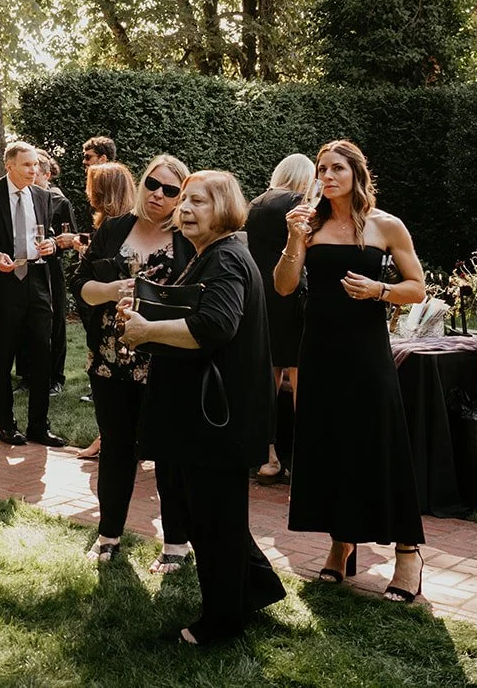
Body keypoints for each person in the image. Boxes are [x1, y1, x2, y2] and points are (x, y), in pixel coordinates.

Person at [117, 171, 286, 645]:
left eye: (199, 201)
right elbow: (192, 312)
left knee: (215, 524)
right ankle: (254, 589)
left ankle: (221, 624)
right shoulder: (212, 253)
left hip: (218, 420)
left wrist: (146, 332)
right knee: (212, 516)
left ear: (225, 209)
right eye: (184, 200)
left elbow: (214, 325)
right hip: (208, 419)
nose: (185, 208)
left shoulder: (226, 258)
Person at [277, 139, 428, 603]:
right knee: (328, 442)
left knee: (378, 440)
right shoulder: (310, 224)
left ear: (357, 173)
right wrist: (292, 240)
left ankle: (407, 553)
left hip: (365, 350)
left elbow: (417, 288)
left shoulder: (386, 226)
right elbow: (283, 286)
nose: (327, 176)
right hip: (319, 348)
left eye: (337, 168)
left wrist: (380, 289)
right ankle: (341, 542)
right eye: (321, 169)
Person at [72, 159, 197, 570]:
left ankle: (176, 543)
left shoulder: (190, 238)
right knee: (116, 449)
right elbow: (80, 285)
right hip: (110, 359)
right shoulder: (114, 228)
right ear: (142, 184)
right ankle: (109, 534)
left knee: (169, 451)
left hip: (165, 360)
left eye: (171, 190)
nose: (159, 194)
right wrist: (109, 289)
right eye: (153, 185)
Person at [0, 141, 67, 448]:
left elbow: (48, 240)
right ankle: (6, 425)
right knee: (4, 357)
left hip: (37, 283)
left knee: (42, 357)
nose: (34, 170)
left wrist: (51, 246)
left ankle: (39, 425)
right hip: (4, 285)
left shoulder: (44, 195)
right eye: (27, 165)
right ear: (10, 166)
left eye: (36, 164)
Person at [244, 153, 315, 483]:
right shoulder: (298, 203)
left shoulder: (255, 204)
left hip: (260, 295)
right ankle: (305, 458)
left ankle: (266, 456)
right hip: (290, 295)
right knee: (302, 376)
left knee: (266, 378)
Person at [37, 152, 80, 397]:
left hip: (52, 267)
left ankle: (56, 377)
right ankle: (29, 375)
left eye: (36, 170)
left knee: (56, 323)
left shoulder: (60, 201)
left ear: (47, 174)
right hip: (30, 265)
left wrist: (54, 243)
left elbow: (71, 236)